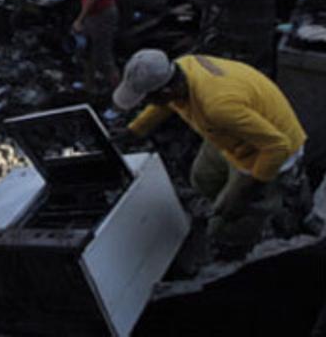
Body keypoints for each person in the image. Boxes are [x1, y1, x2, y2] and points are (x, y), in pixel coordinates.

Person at [113, 49, 308, 252]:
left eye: (148, 99)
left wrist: (244, 193)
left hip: (264, 152)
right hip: (232, 134)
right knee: (202, 177)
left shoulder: (216, 107)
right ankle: (223, 206)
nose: (147, 104)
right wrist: (135, 131)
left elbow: (278, 146)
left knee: (227, 224)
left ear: (166, 91)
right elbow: (165, 105)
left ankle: (245, 237)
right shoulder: (184, 67)